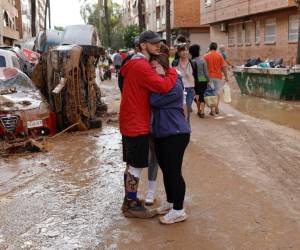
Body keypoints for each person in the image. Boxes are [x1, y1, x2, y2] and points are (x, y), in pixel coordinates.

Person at [119, 30, 178, 218]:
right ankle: (131, 205)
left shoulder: (132, 63)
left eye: (158, 43)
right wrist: (172, 72)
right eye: (153, 43)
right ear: (143, 45)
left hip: (130, 119)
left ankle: (129, 200)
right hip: (136, 121)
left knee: (131, 164)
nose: (157, 46)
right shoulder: (141, 66)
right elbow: (163, 86)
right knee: (136, 165)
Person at [149, 51, 191, 224]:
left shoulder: (175, 85)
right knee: (166, 170)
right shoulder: (160, 84)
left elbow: (153, 100)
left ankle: (179, 210)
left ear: (164, 65)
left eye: (155, 66)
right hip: (161, 133)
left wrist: (152, 91)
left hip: (176, 133)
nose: (152, 70)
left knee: (174, 172)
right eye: (150, 68)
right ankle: (171, 202)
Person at [172, 44, 199, 122]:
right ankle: (183, 125)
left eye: (186, 50)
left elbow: (196, 78)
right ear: (179, 52)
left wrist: (197, 92)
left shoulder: (193, 63)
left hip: (190, 89)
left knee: (187, 108)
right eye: (182, 50)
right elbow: (173, 76)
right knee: (180, 108)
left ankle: (186, 126)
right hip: (179, 89)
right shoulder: (175, 63)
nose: (184, 52)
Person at [204, 42, 229, 115]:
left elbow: (203, 68)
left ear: (210, 47)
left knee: (210, 92)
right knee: (217, 92)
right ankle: (217, 107)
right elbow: (224, 67)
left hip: (209, 77)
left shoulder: (205, 56)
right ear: (216, 48)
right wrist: (226, 76)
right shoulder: (219, 56)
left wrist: (202, 78)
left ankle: (212, 110)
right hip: (218, 77)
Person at [189, 44, 209, 118]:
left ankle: (198, 110)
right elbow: (206, 72)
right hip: (202, 79)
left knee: (196, 95)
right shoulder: (202, 60)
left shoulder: (191, 61)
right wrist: (208, 80)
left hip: (194, 80)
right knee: (202, 95)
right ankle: (203, 111)